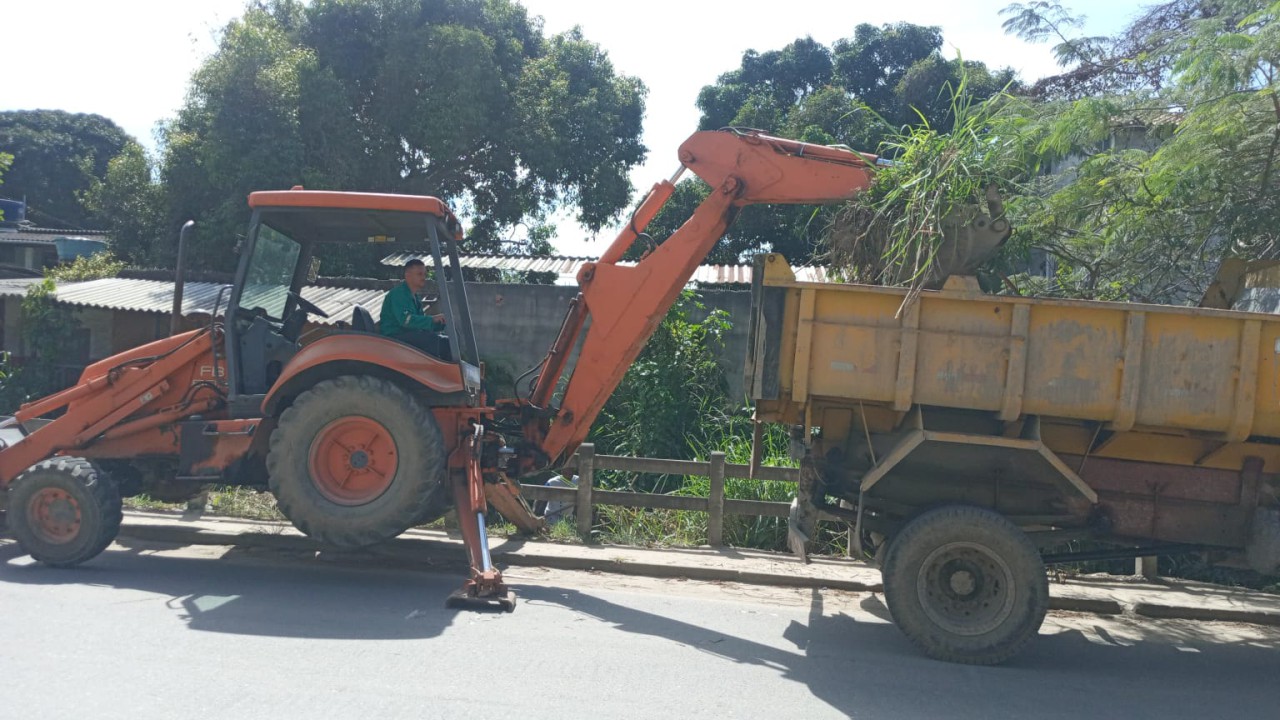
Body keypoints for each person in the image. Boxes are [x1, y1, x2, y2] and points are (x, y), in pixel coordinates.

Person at [380, 258, 451, 359]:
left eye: (424, 274)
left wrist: (438, 323)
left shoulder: (415, 297)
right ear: (407, 275)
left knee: (447, 341)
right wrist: (432, 319)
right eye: (419, 274)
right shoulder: (399, 294)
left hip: (408, 336)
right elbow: (406, 321)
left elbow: (420, 324)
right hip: (394, 337)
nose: (423, 278)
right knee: (433, 340)